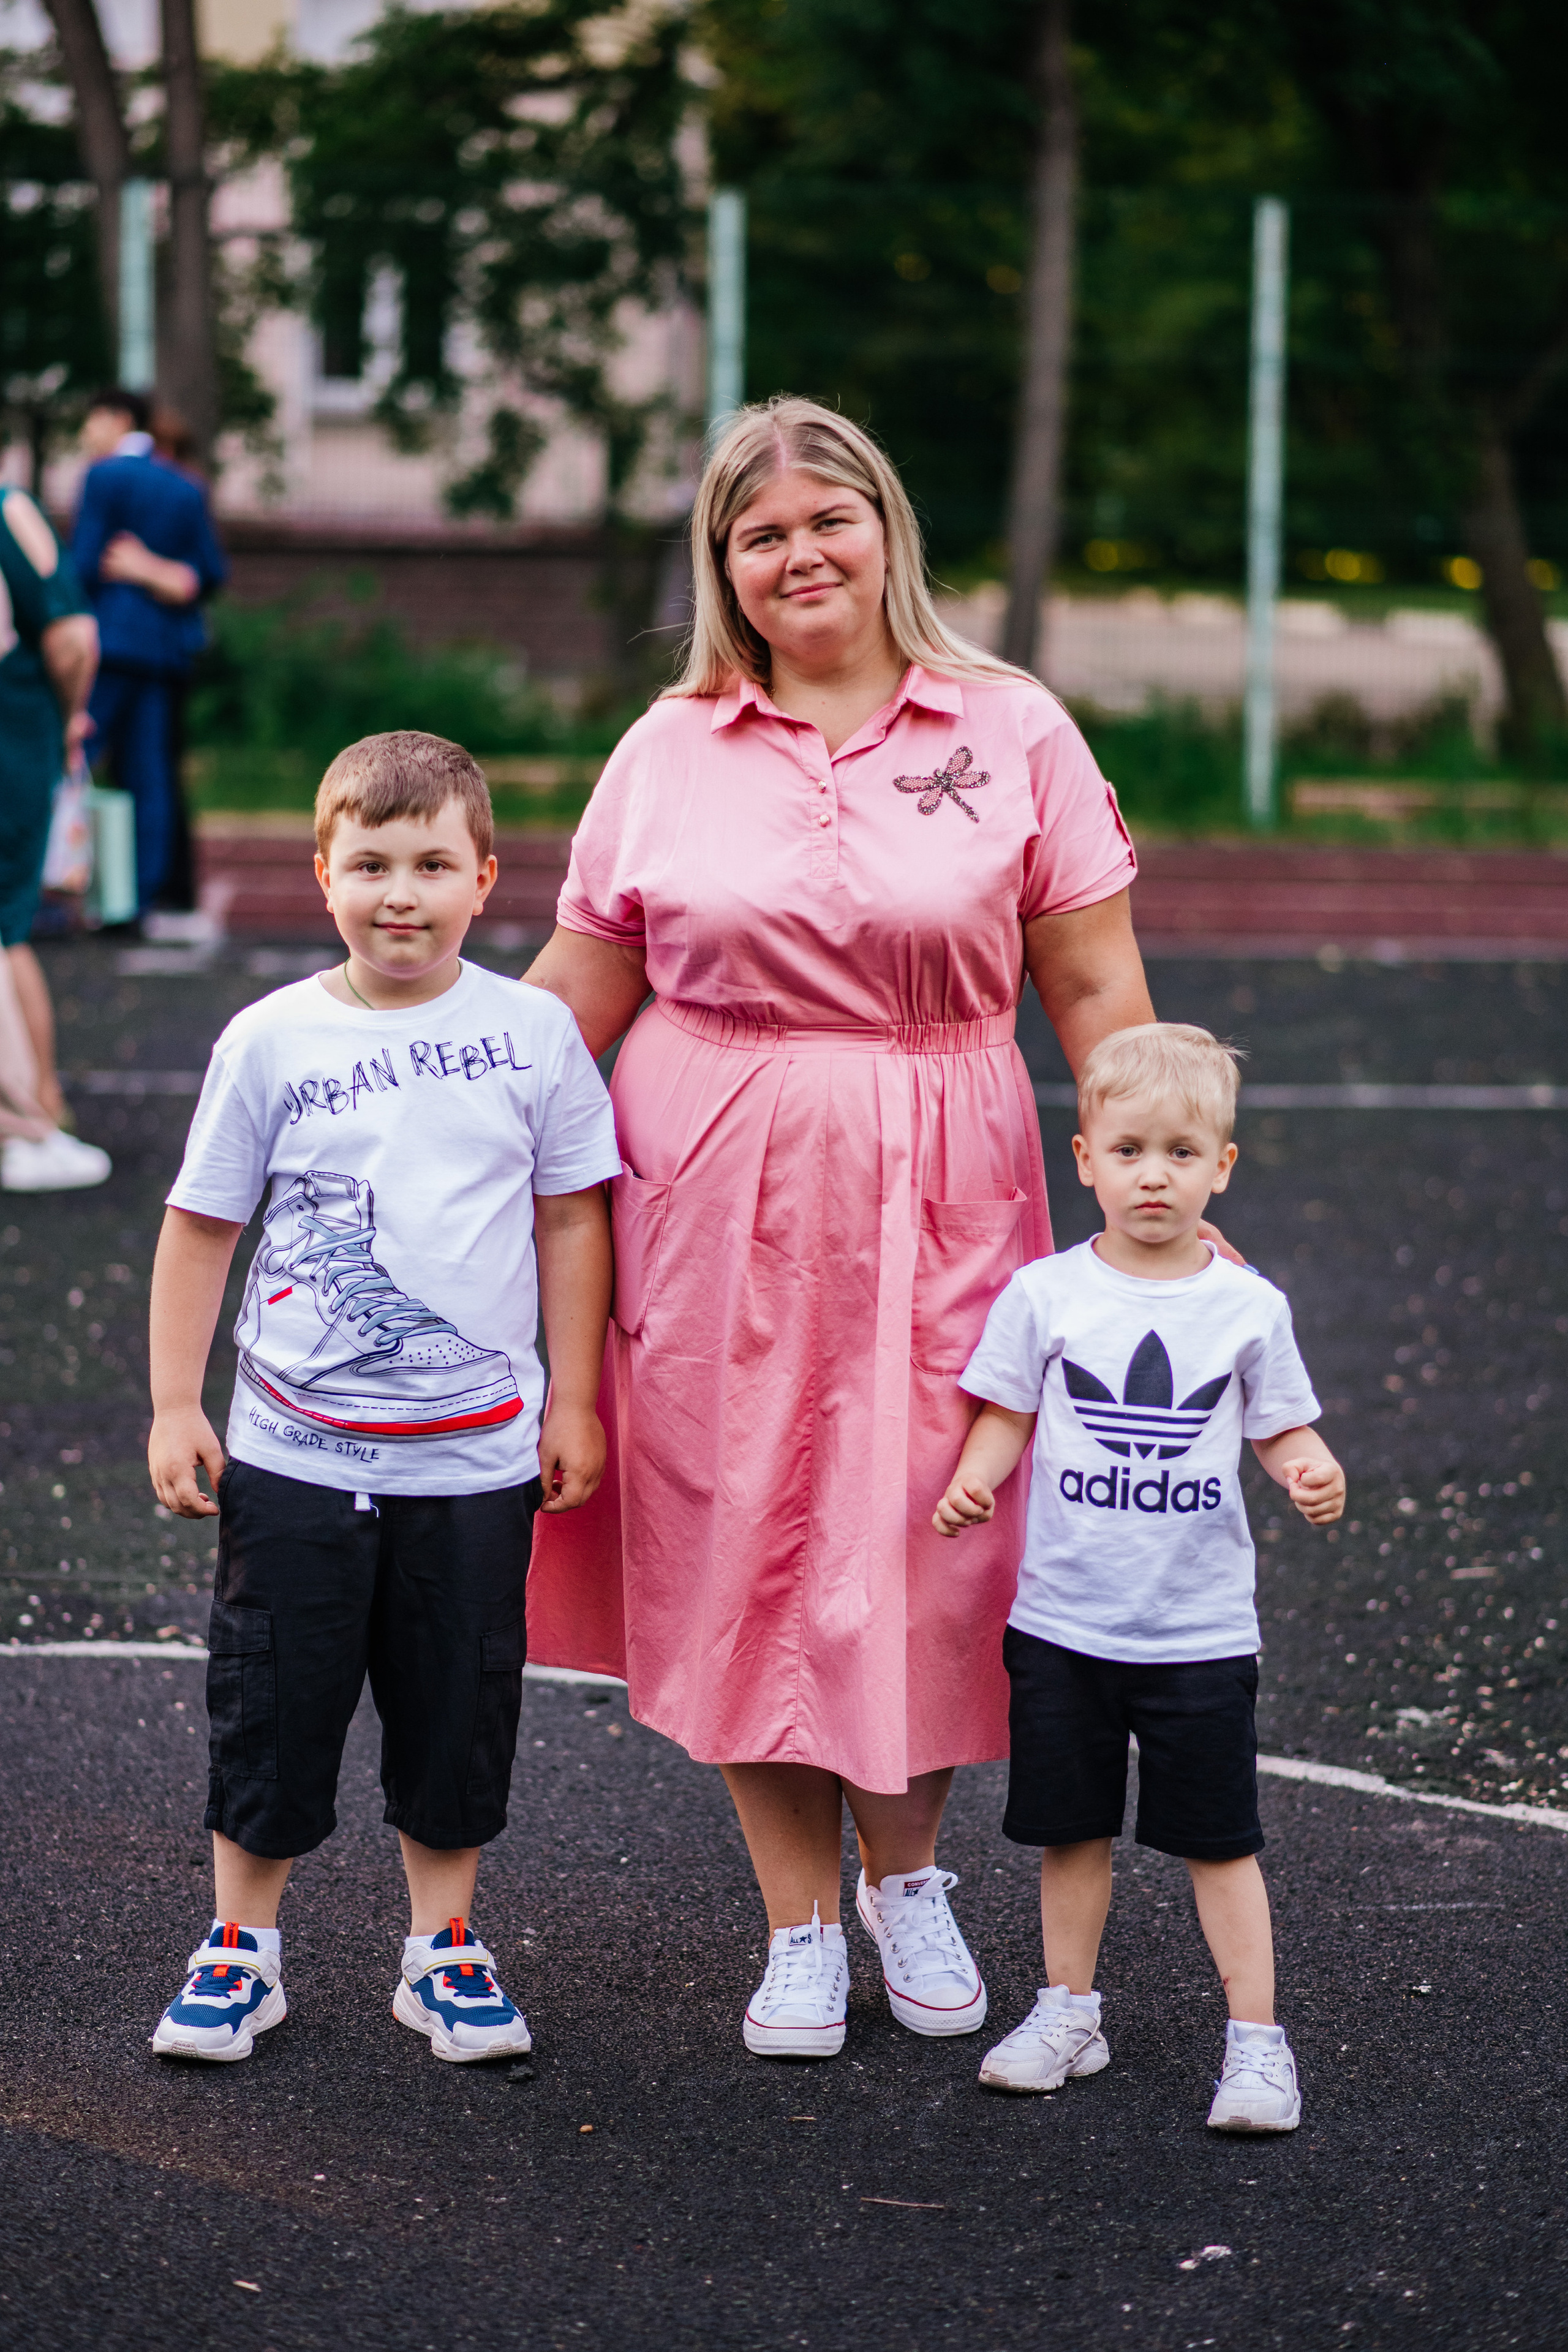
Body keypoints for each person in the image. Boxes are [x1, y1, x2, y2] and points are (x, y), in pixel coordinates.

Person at [522, 396, 1161, 2061]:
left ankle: (910, 1879)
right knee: (736, 1534)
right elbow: (571, 998)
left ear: (887, 531)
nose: (801, 555)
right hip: (710, 1183)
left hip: (947, 1173)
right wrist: (403, 1110)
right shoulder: (669, 750)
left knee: (923, 1536)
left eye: (830, 520)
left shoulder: (1011, 726)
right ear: (722, 569)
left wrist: (1151, 1191)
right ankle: (799, 1921)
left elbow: (1091, 981)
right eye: (761, 534)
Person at [145, 731, 620, 2063]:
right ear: (322, 872)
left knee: (455, 1711)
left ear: (484, 878)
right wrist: (178, 1404)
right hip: (294, 1449)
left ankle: (442, 1948)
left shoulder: (530, 1033)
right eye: (368, 864)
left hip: (469, 1462)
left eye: (428, 865)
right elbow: (201, 1229)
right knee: (271, 1701)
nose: (397, 893)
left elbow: (572, 1222)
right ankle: (243, 1948)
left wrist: (570, 1398)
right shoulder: (272, 1039)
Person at [935, 1022, 1345, 2130]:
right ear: (1084, 1161)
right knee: (1071, 1835)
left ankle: (1257, 2044)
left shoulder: (1248, 1308)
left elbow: (1281, 1426)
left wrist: (1309, 1468)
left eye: (1178, 1151)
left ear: (1222, 1166)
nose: (1152, 1173)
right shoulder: (1045, 1295)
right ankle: (1070, 2011)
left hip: (1198, 1635)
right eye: (1128, 1151)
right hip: (1065, 1627)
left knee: (1221, 1842)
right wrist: (975, 1481)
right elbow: (1006, 1413)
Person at [72, 386, 227, 919]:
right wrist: (165, 576)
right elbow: (211, 572)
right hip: (162, 654)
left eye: (90, 420)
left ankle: (54, 889)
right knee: (150, 776)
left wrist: (133, 569)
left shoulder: (103, 476)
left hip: (108, 646)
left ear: (116, 419)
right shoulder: (186, 488)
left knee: (75, 761)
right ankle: (136, 898)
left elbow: (85, 567)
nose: (84, 433)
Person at [0, 481, 113, 1193]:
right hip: (12, 736)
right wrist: (69, 717)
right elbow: (73, 636)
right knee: (6, 930)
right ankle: (26, 1122)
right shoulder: (9, 507)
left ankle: (35, 1106)